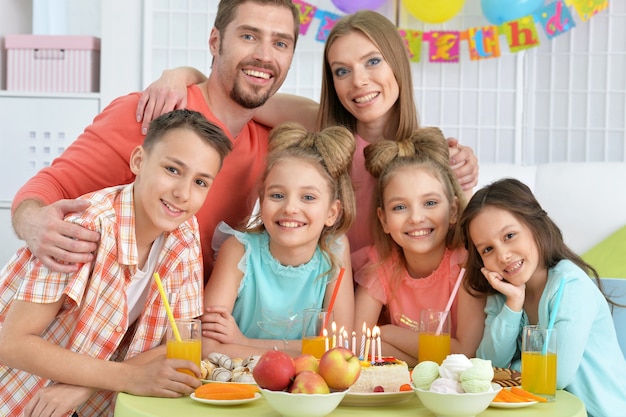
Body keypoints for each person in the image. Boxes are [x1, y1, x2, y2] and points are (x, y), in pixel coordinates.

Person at [136, 10, 479, 255]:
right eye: (342, 70)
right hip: (331, 304)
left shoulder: (426, 154)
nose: (359, 81)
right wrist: (180, 73)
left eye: (373, 62)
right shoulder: (323, 125)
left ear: (397, 61)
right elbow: (234, 92)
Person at [10, 0, 300, 282]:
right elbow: (52, 186)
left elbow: (327, 115)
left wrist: (195, 77)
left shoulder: (271, 142)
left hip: (185, 321)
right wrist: (33, 223)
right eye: (248, 36)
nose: (264, 54)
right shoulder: (152, 114)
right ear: (215, 41)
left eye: (280, 43)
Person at [0, 110, 232, 417]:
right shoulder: (86, 229)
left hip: (91, 404)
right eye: (173, 170)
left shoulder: (184, 235)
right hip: (20, 397)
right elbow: (12, 344)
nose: (183, 193)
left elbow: (179, 343)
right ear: (138, 161)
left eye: (201, 181)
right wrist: (128, 376)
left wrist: (84, 385)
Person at [460, 178, 626, 417]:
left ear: (535, 225)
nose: (503, 255)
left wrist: (509, 369)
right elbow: (488, 366)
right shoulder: (501, 294)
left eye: (509, 236)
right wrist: (513, 305)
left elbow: (555, 376)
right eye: (487, 249)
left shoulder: (571, 285)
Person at [199, 122, 356, 358]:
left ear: (332, 213)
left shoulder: (335, 251)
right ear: (262, 202)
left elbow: (338, 349)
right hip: (240, 387)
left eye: (308, 197)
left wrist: (244, 342)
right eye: (277, 195)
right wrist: (305, 351)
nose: (290, 208)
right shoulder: (240, 250)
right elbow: (206, 346)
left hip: (307, 389)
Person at [351, 127, 485, 367]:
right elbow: (357, 344)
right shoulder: (381, 266)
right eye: (400, 207)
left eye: (430, 203)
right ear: (384, 220)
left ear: (453, 211)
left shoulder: (465, 264)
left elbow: (466, 352)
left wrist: (388, 332)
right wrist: (430, 356)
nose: (415, 218)